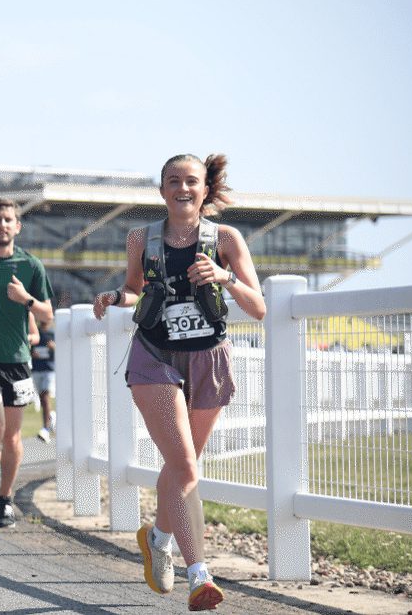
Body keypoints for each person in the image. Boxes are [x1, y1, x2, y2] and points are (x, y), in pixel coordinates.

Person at [92, 153, 264, 611]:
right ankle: (199, 575)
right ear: (161, 189)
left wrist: (223, 275)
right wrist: (115, 295)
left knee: (181, 466)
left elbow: (259, 306)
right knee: (186, 466)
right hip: (155, 356)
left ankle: (158, 538)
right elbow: (134, 289)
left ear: (206, 189)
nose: (182, 189)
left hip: (208, 357)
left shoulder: (225, 238)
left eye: (192, 181)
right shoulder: (140, 238)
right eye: (174, 181)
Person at [0, 198, 54, 528]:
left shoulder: (31, 266)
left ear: (17, 226)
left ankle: (5, 498)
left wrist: (26, 300)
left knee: (13, 437)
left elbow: (47, 317)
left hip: (18, 362)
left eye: (8, 220)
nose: (2, 225)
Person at [30, 316, 55, 444]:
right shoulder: (35, 333)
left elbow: (62, 351)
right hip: (37, 369)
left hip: (49, 369)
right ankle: (51, 418)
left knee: (45, 397)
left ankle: (45, 428)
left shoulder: (54, 334)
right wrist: (32, 353)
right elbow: (28, 348)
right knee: (42, 399)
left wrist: (54, 348)